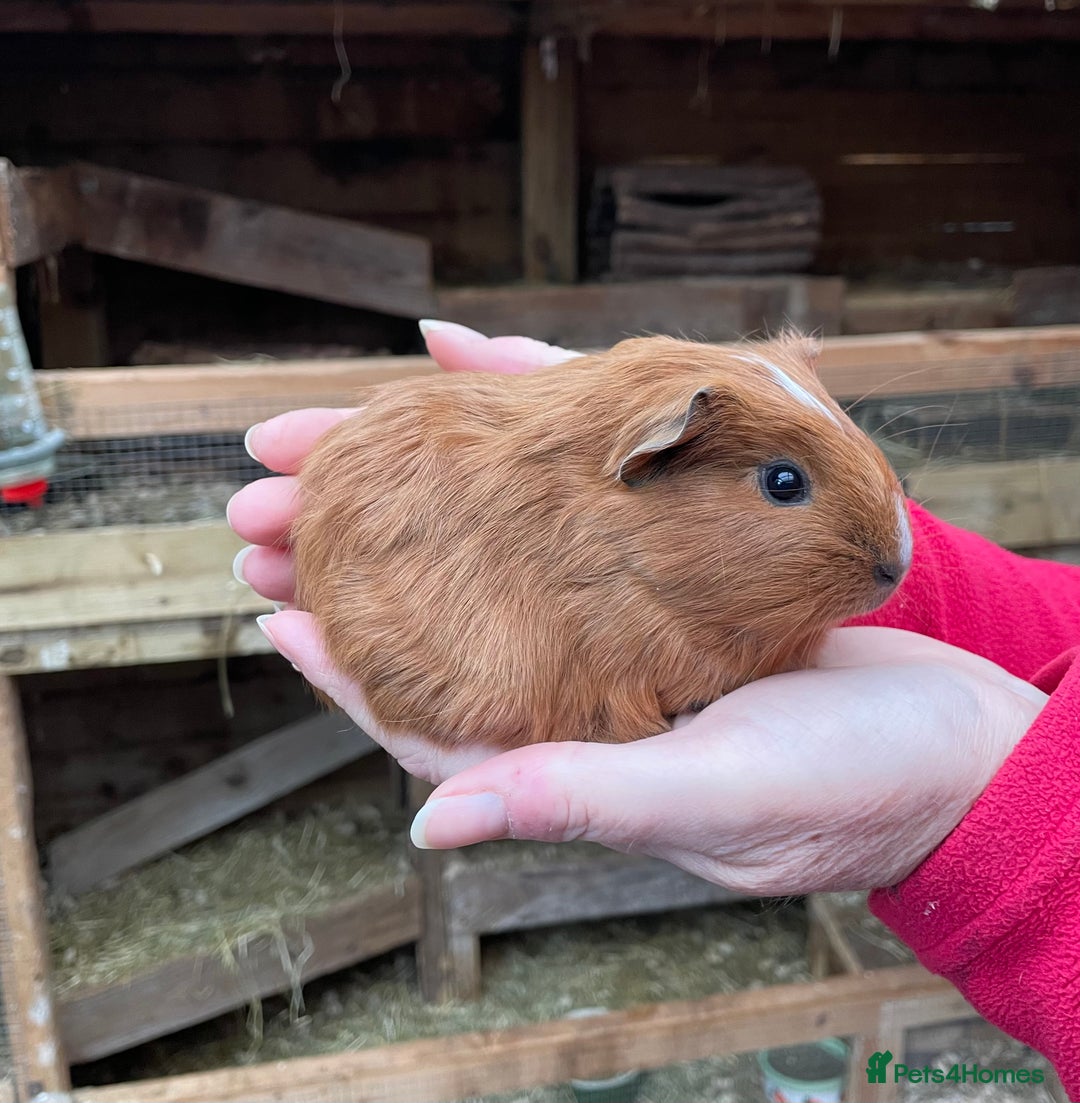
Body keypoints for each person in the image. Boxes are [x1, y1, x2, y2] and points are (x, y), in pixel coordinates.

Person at [227, 321, 1080, 1089]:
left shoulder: (687, 578)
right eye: (785, 482)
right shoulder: (610, 584)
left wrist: (1006, 795)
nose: (902, 551)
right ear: (652, 460)